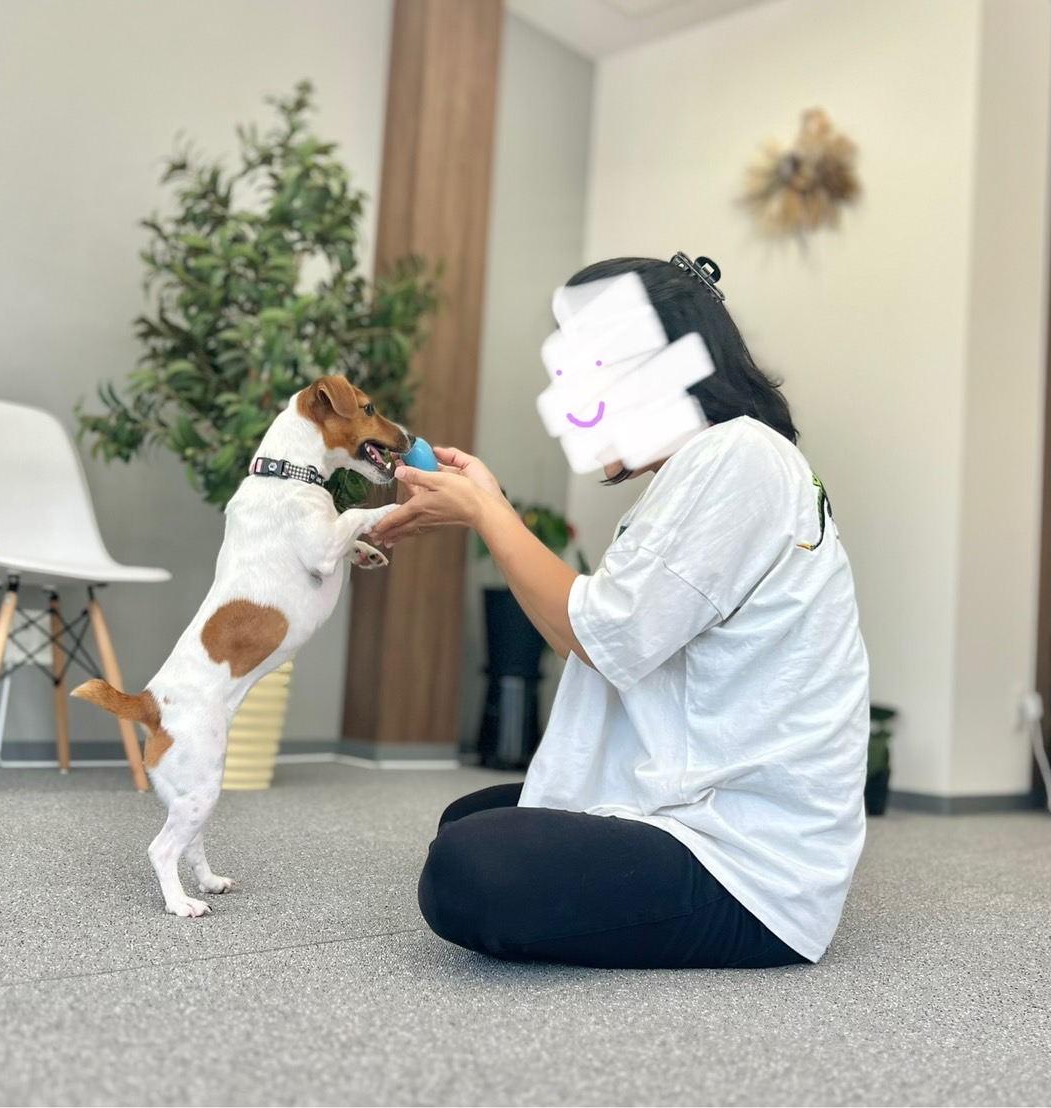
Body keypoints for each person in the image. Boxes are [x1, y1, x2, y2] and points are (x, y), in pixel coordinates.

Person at [367, 253, 870, 970]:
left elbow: (602, 635)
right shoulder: (719, 463)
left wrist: (487, 513)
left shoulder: (737, 457)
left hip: (750, 864)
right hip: (700, 792)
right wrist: (489, 508)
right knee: (471, 820)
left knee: (469, 867)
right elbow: (586, 639)